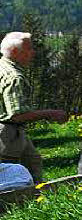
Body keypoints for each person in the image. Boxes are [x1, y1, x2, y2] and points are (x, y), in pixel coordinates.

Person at [0, 32, 67, 184]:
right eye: (29, 49)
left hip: (14, 132)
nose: (33, 52)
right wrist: (51, 113)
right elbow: (17, 115)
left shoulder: (2, 66)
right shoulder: (14, 77)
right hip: (8, 135)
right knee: (10, 175)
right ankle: (21, 202)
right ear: (15, 52)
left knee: (33, 163)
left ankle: (37, 198)